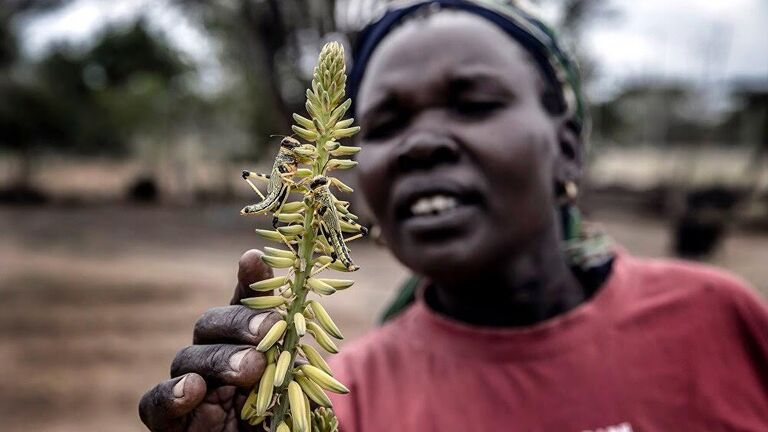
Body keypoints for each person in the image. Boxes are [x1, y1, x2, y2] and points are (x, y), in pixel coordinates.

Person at [139, 1, 768, 431]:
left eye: (472, 102)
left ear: (568, 145)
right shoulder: (338, 403)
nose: (421, 143)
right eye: (385, 124)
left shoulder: (721, 320)